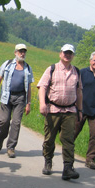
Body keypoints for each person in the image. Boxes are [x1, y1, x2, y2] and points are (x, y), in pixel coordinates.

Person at [37, 44, 83, 180]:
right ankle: (48, 161)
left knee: (68, 139)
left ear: (73, 55)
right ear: (60, 54)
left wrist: (80, 110)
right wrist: (42, 104)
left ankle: (68, 167)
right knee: (49, 138)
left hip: (70, 110)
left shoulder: (76, 72)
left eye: (70, 53)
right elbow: (42, 87)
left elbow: (79, 92)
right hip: (53, 109)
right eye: (65, 52)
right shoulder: (52, 69)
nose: (67, 55)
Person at [0, 44, 34, 158]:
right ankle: (1, 137)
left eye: (24, 51)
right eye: (20, 51)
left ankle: (11, 147)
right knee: (4, 121)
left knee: (16, 123)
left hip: (20, 98)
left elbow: (29, 87)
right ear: (15, 52)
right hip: (6, 96)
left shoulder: (27, 68)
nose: (22, 53)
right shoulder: (7, 64)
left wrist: (28, 103)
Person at [74, 52, 95, 170]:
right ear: (90, 61)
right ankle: (67, 152)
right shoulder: (82, 72)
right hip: (81, 108)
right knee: (74, 131)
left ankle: (90, 159)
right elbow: (76, 89)